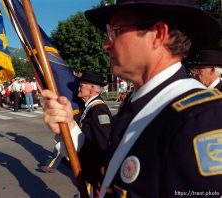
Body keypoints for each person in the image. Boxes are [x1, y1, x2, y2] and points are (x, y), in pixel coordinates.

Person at [41, 0, 222, 197]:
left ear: (158, 35)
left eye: (115, 31)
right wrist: (69, 128)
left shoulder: (200, 120)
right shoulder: (139, 102)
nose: (105, 44)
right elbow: (110, 176)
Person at [41, 71, 112, 190]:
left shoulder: (98, 110)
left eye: (82, 85)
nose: (78, 88)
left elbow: (103, 145)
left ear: (92, 89)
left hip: (92, 170)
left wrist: (98, 174)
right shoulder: (89, 108)